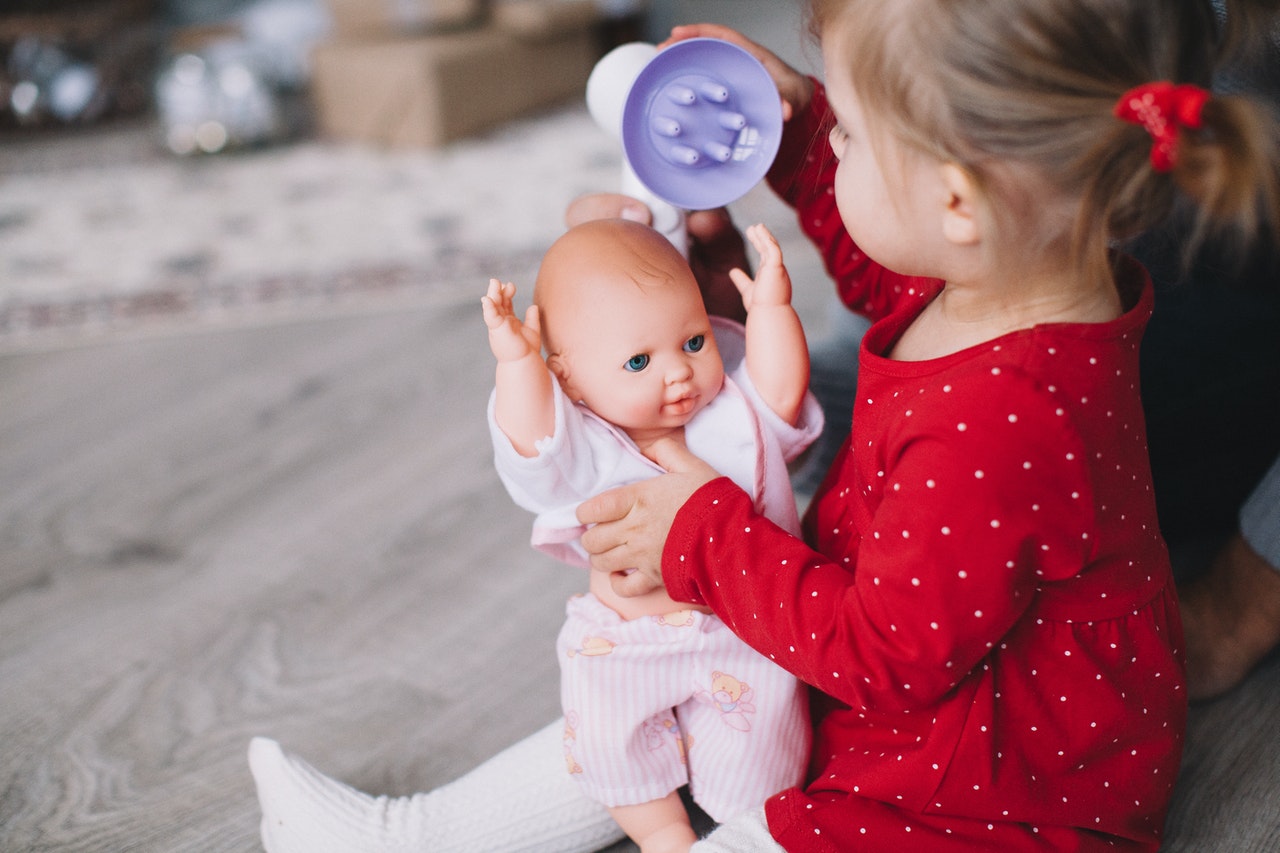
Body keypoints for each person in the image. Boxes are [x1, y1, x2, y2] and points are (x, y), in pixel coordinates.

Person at [249, 1, 1280, 849]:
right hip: (941, 705)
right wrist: (788, 135)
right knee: (637, 695)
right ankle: (408, 835)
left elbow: (884, 655)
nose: (826, 135)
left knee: (718, 760)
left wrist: (698, 530)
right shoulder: (1020, 285)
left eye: (847, 132)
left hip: (978, 799)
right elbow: (891, 277)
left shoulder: (999, 423)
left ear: (957, 199)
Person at [479, 218, 820, 853]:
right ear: (571, 380)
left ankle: (742, 831)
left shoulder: (731, 416)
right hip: (625, 642)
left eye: (693, 342)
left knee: (765, 761)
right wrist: (518, 363)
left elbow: (779, 389)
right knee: (611, 743)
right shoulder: (581, 447)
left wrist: (772, 311)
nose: (678, 375)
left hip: (745, 634)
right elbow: (531, 441)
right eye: (639, 361)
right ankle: (663, 834)